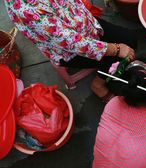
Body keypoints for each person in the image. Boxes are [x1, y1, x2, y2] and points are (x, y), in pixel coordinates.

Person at [4, 0, 136, 102]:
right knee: (126, 49)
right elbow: (72, 42)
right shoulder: (26, 10)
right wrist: (116, 49)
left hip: (85, 24)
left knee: (130, 40)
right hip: (70, 51)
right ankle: (98, 84)